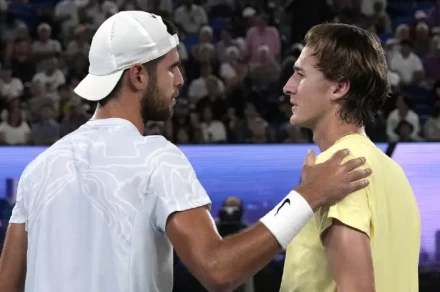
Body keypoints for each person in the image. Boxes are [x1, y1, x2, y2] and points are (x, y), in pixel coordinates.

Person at [0, 12, 372, 292]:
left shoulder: (39, 168)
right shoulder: (155, 158)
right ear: (137, 75)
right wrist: (307, 196)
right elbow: (219, 270)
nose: (180, 80)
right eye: (172, 68)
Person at [280, 23, 421, 292]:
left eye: (300, 75)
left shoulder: (337, 170)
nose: (288, 87)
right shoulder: (394, 172)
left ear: (339, 88)